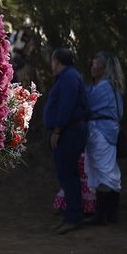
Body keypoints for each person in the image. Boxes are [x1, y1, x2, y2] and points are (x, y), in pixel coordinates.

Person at [43, 47, 87, 234]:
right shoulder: (68, 77)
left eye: (52, 60)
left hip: (69, 131)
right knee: (66, 173)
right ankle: (72, 214)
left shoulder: (69, 77)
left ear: (57, 61)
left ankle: (74, 217)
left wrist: (58, 130)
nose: (51, 64)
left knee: (68, 174)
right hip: (68, 131)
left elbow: (66, 105)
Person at [83, 51, 125, 224]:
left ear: (104, 67)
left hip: (101, 130)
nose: (92, 67)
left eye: (96, 64)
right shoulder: (112, 87)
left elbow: (87, 105)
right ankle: (111, 214)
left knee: (103, 171)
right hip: (108, 130)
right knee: (110, 170)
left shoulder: (103, 87)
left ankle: (101, 216)